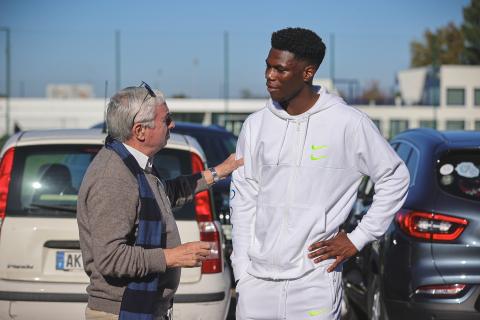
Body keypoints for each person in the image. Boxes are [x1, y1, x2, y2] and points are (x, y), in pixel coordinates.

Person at [230, 27, 410, 320]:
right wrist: (242, 272)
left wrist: (358, 238)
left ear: (307, 72)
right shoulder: (255, 125)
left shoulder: (348, 124)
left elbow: (395, 177)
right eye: (267, 65)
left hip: (314, 283)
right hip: (257, 284)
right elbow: (244, 200)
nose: (269, 75)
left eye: (280, 69)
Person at [77, 83, 243, 320]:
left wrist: (217, 172)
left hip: (139, 307)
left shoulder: (134, 166)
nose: (172, 125)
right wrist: (172, 256)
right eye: (167, 119)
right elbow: (110, 258)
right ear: (140, 131)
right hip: (121, 311)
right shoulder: (113, 178)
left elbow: (166, 193)